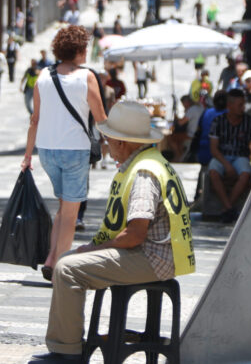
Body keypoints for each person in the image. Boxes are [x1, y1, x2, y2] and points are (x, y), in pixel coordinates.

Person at [30, 100, 195, 363]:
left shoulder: (143, 172)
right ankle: (65, 345)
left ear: (122, 142)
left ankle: (67, 352)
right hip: (158, 254)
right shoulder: (150, 161)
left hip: (152, 257)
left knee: (69, 268)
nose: (106, 147)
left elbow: (135, 234)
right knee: (67, 261)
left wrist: (94, 249)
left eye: (108, 140)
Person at [21, 25, 108, 282]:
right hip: (74, 151)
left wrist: (27, 155)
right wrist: (117, 147)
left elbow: (34, 120)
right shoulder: (87, 77)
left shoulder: (43, 77)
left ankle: (50, 258)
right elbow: (101, 119)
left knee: (62, 207)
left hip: (47, 151)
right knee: (70, 213)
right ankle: (61, 268)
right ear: (80, 50)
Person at [208, 88, 251, 223]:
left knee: (245, 174)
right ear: (229, 106)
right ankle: (229, 208)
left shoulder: (249, 121)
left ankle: (227, 207)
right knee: (213, 172)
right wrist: (227, 165)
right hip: (221, 156)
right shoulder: (218, 121)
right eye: (240, 105)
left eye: (243, 104)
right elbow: (214, 149)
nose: (243, 108)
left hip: (240, 156)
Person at [165, 94, 202, 161]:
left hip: (191, 134)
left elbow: (181, 122)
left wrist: (177, 119)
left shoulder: (192, 110)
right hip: (197, 133)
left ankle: (178, 156)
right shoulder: (199, 107)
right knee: (178, 138)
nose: (183, 106)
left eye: (183, 104)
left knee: (169, 137)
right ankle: (181, 155)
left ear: (186, 102)